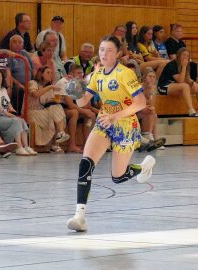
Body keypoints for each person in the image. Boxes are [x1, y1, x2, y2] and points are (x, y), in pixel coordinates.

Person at [67, 35, 156, 232]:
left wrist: (116, 117)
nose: (104, 54)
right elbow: (83, 103)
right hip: (104, 123)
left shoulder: (125, 74)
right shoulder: (97, 74)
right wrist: (74, 90)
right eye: (101, 50)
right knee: (85, 163)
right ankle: (79, 216)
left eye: (109, 50)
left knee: (118, 177)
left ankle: (143, 168)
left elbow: (140, 103)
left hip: (125, 124)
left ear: (117, 54)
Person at [0, 69, 36, 156]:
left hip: (2, 117)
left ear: (2, 78)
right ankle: (19, 147)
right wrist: (6, 113)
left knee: (21, 120)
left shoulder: (3, 89)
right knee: (16, 121)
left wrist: (12, 110)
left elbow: (8, 104)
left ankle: (26, 146)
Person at [158, 47, 198, 117]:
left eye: (187, 56)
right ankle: (191, 110)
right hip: (164, 86)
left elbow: (187, 79)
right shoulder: (172, 64)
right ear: (179, 55)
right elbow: (180, 80)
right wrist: (184, 67)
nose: (185, 57)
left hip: (176, 86)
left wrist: (192, 83)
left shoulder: (187, 65)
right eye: (183, 55)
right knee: (185, 86)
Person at [26, 65, 70, 152]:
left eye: (51, 73)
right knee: (57, 114)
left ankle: (60, 133)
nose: (50, 75)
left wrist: (58, 98)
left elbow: (52, 101)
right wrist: (51, 87)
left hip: (42, 111)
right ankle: (56, 143)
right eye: (48, 72)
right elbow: (36, 94)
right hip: (31, 112)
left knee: (57, 107)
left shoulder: (50, 87)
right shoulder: (33, 83)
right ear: (41, 74)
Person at [137, 67, 166, 151]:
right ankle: (150, 137)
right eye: (150, 76)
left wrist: (151, 91)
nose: (152, 79)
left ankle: (151, 136)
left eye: (154, 77)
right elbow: (140, 104)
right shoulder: (139, 87)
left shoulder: (153, 88)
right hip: (135, 112)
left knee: (153, 113)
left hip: (145, 111)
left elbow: (152, 105)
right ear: (144, 77)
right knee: (151, 113)